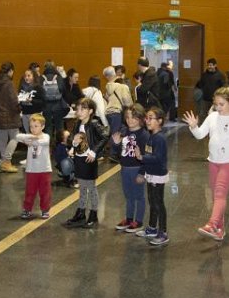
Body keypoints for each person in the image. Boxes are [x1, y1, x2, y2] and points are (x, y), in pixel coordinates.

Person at [182, 87, 229, 242]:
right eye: (216, 104)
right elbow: (200, 135)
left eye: (221, 104)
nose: (218, 107)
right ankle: (219, 229)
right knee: (216, 196)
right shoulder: (212, 116)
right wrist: (193, 126)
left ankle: (212, 224)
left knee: (220, 192)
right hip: (214, 161)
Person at [63, 98, 109, 228]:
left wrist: (94, 152)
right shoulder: (78, 123)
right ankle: (81, 212)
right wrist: (73, 147)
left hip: (89, 160)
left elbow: (105, 136)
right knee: (82, 187)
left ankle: (94, 214)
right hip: (79, 159)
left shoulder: (94, 123)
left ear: (90, 111)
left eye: (83, 109)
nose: (79, 111)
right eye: (78, 109)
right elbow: (74, 137)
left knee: (91, 187)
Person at [135, 107, 170, 246]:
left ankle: (163, 232)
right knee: (152, 201)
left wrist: (141, 157)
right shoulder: (152, 136)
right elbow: (149, 156)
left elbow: (158, 158)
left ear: (159, 121)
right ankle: (152, 228)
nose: (147, 121)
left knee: (158, 203)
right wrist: (143, 171)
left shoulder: (160, 138)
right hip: (151, 174)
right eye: (146, 118)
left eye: (151, 118)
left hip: (157, 175)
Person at [111, 104, 149, 233]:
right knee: (128, 195)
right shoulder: (124, 132)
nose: (130, 120)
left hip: (137, 168)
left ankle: (138, 221)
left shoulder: (144, 135)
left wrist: (142, 173)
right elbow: (119, 152)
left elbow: (146, 157)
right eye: (127, 117)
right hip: (125, 168)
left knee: (139, 196)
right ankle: (128, 219)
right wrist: (116, 144)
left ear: (140, 118)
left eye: (133, 117)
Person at [12, 114, 52, 220]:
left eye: (36, 126)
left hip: (44, 169)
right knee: (30, 191)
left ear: (42, 127)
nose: (33, 129)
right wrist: (27, 138)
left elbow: (43, 142)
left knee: (45, 191)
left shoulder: (46, 136)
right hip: (31, 170)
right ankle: (27, 209)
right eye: (31, 126)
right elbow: (17, 136)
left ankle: (45, 210)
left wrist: (31, 140)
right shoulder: (29, 137)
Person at [0, 62, 21, 173]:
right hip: (10, 115)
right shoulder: (9, 83)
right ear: (10, 71)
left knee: (2, 139)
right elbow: (13, 101)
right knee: (15, 137)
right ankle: (7, 161)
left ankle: (3, 162)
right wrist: (19, 109)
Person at [103, 66, 133, 161]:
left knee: (117, 131)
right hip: (116, 111)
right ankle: (113, 154)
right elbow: (127, 101)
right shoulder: (123, 87)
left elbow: (106, 98)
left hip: (108, 112)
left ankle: (117, 151)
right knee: (116, 133)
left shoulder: (108, 86)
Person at [194, 58, 226, 124]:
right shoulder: (204, 75)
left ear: (215, 65)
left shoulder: (220, 75)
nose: (209, 67)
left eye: (211, 65)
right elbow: (199, 85)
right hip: (205, 100)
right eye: (208, 65)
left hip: (216, 101)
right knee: (203, 115)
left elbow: (223, 88)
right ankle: (202, 132)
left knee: (216, 116)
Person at [40, 61, 67, 136]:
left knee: (48, 127)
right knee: (59, 127)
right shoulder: (58, 77)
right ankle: (60, 145)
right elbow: (63, 89)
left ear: (45, 67)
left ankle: (49, 145)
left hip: (46, 106)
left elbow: (39, 92)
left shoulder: (41, 78)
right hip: (58, 105)